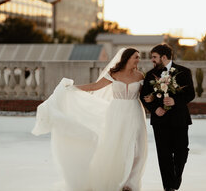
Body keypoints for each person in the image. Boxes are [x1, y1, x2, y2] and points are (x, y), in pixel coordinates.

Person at [32, 48, 147, 191]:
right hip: (117, 112)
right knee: (117, 146)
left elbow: (146, 95)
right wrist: (73, 88)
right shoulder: (114, 73)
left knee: (137, 147)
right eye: (136, 57)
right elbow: (95, 86)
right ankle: (117, 179)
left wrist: (153, 98)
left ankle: (130, 183)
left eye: (138, 57)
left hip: (135, 111)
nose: (138, 60)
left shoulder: (140, 76)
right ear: (127, 58)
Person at [140, 44, 195, 191]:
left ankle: (176, 178)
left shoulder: (184, 72)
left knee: (182, 151)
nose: (152, 60)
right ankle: (168, 187)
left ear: (164, 57)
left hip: (180, 119)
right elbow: (143, 95)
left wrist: (175, 101)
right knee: (163, 156)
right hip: (160, 121)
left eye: (154, 57)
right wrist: (154, 108)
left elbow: (191, 94)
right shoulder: (150, 75)